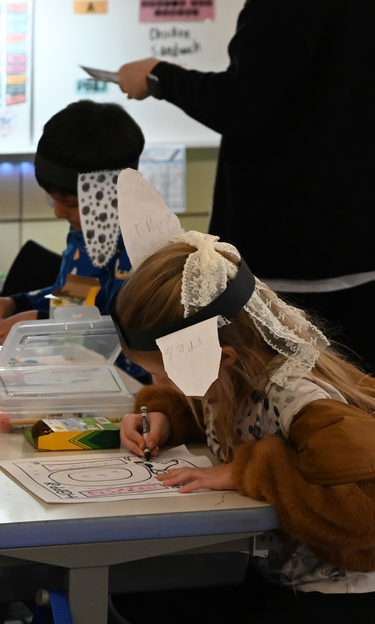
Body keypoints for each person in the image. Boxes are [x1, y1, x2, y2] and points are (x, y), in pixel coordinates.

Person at [116, 0, 375, 373]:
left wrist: (159, 77)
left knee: (291, 404)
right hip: (363, 247)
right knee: (360, 403)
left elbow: (243, 103)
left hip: (297, 251)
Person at [110, 232, 375, 621]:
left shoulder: (301, 399)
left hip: (340, 593)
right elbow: (225, 413)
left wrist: (247, 472)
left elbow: (365, 508)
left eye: (166, 377)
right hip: (274, 570)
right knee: (137, 596)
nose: (158, 385)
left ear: (224, 357)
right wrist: (168, 416)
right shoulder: (231, 377)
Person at [0, 100, 143, 350]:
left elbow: (123, 336)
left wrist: (41, 323)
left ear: (110, 195)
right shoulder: (86, 228)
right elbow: (75, 294)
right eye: (53, 199)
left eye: (72, 204)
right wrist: (18, 304)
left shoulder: (139, 247)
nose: (59, 212)